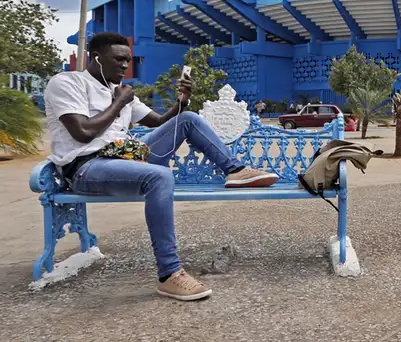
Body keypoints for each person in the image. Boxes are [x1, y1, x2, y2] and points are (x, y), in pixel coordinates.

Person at [44, 32, 281, 301]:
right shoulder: (68, 83)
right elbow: (83, 132)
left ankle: (235, 171)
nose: (125, 65)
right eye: (118, 59)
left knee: (187, 119)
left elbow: (158, 122)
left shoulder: (120, 90)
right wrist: (119, 102)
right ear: (96, 57)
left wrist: (181, 102)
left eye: (128, 60)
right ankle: (169, 274)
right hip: (87, 167)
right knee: (160, 176)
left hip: (127, 157)